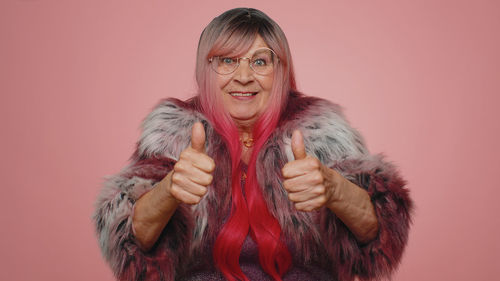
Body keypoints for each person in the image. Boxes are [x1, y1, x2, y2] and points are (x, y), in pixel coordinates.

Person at [94, 7, 413, 281]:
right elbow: (132, 245)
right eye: (227, 61)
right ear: (206, 70)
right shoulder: (171, 134)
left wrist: (333, 188)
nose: (244, 76)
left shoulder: (321, 132)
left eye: (260, 62)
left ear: (281, 72)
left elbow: (377, 235)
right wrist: (169, 190)